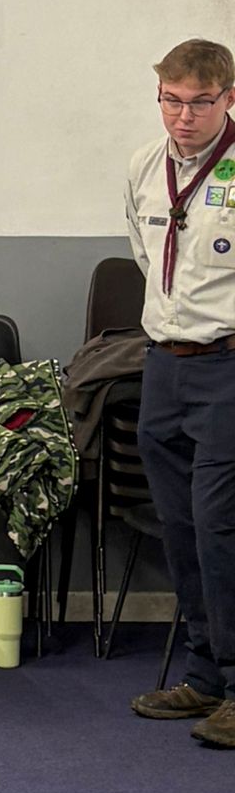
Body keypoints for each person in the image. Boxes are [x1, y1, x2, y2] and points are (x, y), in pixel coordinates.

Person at [126, 38, 235, 747]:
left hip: (228, 365)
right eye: (172, 100)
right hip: (163, 365)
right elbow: (143, 254)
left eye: (200, 102)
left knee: (224, 529)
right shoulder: (144, 167)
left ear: (228, 98)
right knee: (183, 529)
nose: (184, 117)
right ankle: (205, 678)